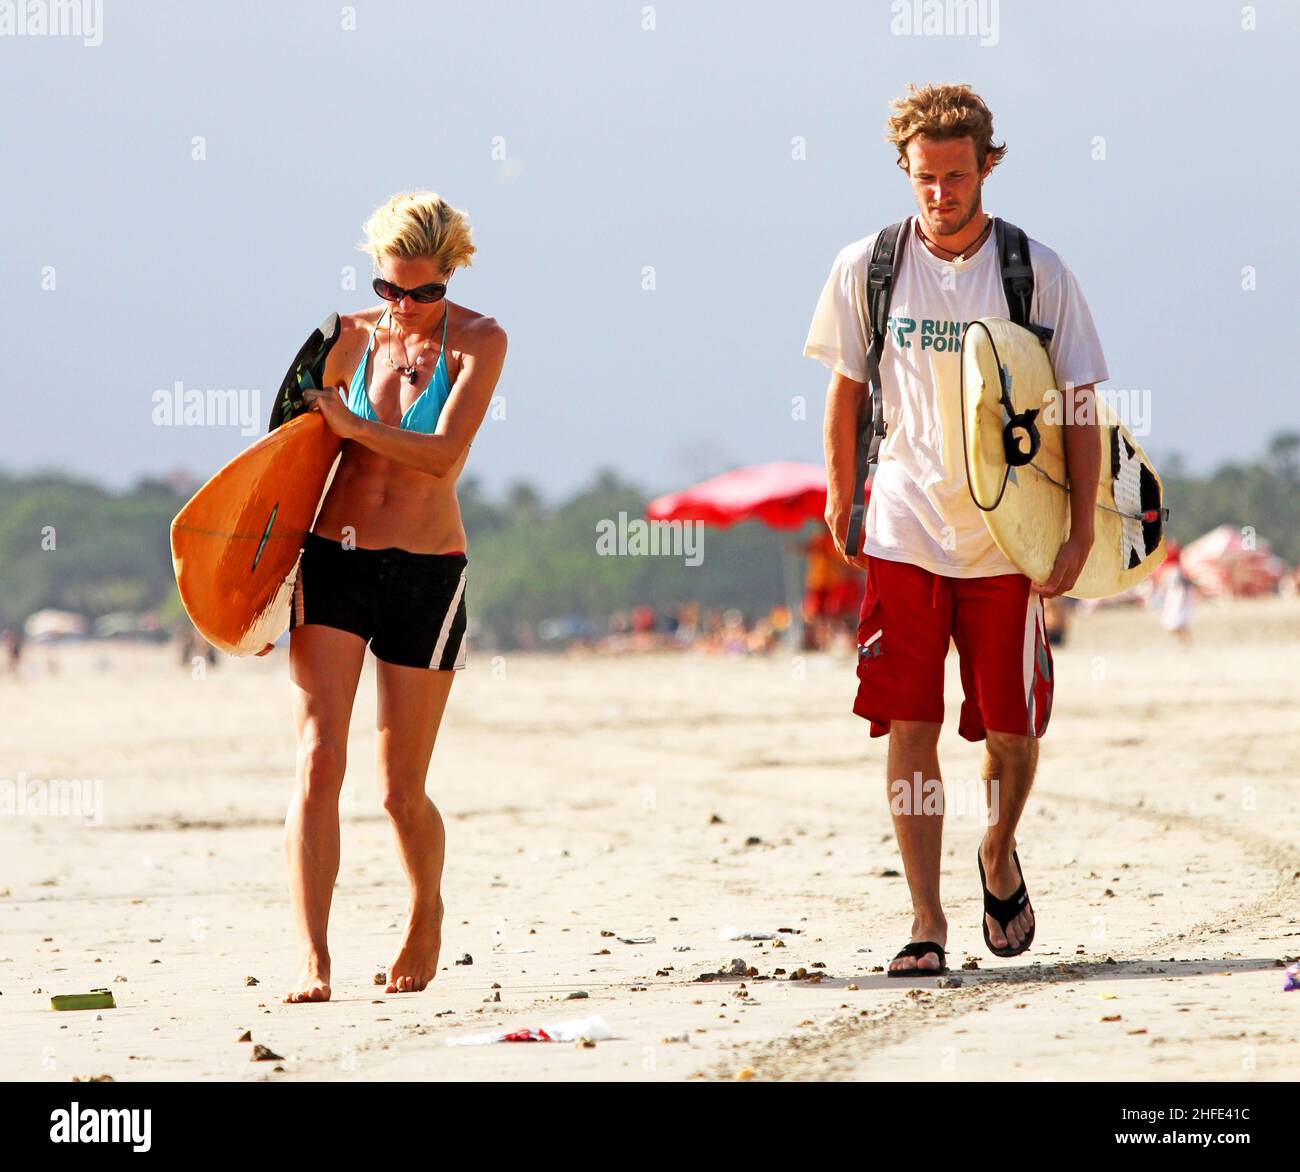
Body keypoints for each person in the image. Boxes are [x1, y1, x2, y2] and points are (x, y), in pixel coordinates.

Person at [804, 84, 1109, 976]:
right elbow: (847, 389)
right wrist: (839, 491)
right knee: (910, 721)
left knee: (1013, 731)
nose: (940, 193)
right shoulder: (869, 265)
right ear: (905, 169)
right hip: (903, 521)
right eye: (925, 177)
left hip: (1008, 537)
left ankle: (998, 847)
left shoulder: (1033, 270)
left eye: (957, 176)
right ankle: (926, 919)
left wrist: (1081, 527)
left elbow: (1081, 401)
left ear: (987, 166)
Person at [284, 191, 507, 1003]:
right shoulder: (343, 339)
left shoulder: (482, 340)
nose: (404, 307)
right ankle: (313, 956)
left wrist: (354, 425)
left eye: (422, 292)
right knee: (318, 760)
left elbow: (443, 456)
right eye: (390, 290)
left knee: (397, 788)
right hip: (334, 563)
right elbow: (288, 448)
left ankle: (425, 909)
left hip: (424, 571)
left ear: (452, 273)